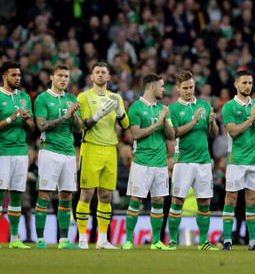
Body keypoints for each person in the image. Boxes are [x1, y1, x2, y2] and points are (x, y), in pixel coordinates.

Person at [75, 62, 129, 249]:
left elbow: (126, 125)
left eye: (103, 72)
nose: (100, 75)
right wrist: (98, 115)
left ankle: (102, 240)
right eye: (96, 72)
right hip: (91, 148)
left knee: (105, 195)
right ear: (91, 77)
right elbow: (82, 125)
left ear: (109, 77)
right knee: (87, 194)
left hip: (110, 149)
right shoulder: (83, 97)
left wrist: (120, 112)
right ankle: (82, 239)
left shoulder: (116, 97)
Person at [166, 70, 220, 250]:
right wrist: (194, 121)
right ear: (178, 88)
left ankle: (203, 242)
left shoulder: (205, 105)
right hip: (183, 161)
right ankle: (172, 240)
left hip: (204, 161)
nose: (189, 91)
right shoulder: (173, 109)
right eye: (186, 88)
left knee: (204, 201)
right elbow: (174, 134)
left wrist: (212, 122)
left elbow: (214, 133)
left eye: (191, 87)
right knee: (177, 201)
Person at [0, 60, 35, 249]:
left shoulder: (24, 97)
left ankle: (14, 238)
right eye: (13, 75)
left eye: (19, 75)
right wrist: (10, 118)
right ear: (4, 76)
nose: (17, 78)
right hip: (2, 151)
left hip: (21, 151)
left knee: (16, 195)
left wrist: (26, 120)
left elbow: (32, 129)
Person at [122, 74, 175, 250]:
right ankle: (128, 240)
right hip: (142, 161)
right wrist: (157, 123)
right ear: (152, 87)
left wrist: (165, 121)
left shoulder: (162, 108)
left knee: (158, 201)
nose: (164, 89)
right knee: (136, 200)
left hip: (160, 162)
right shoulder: (136, 108)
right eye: (162, 86)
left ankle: (156, 241)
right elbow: (135, 134)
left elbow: (171, 135)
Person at [33, 64, 82, 249]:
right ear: (51, 77)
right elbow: (42, 126)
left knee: (67, 195)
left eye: (67, 76)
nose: (64, 79)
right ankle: (40, 239)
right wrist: (65, 116)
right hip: (50, 151)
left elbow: (79, 128)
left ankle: (63, 240)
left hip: (69, 152)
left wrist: (74, 115)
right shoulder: (42, 99)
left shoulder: (71, 99)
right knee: (44, 194)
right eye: (60, 75)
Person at [221, 70, 255, 251]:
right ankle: (227, 241)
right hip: (236, 160)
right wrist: (251, 117)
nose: (248, 86)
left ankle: (253, 242)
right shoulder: (229, 106)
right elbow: (232, 131)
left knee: (252, 201)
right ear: (236, 85)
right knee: (231, 198)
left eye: (250, 83)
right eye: (244, 83)